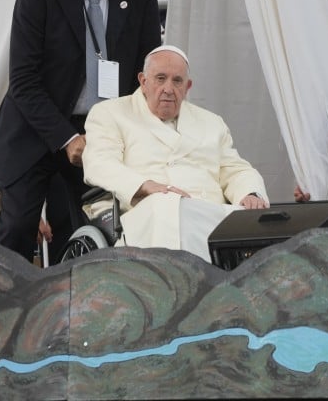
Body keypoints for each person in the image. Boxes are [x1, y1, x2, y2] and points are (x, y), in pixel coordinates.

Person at [0, 0, 162, 265]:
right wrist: (67, 138)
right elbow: (23, 78)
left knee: (87, 231)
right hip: (34, 130)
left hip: (101, 133)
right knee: (18, 229)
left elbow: (144, 74)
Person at [81, 44, 269, 262]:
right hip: (146, 211)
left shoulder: (211, 122)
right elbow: (100, 162)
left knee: (259, 222)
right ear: (143, 81)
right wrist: (145, 185)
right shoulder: (110, 113)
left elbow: (235, 169)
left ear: (187, 86)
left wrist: (250, 193)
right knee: (167, 208)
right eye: (160, 78)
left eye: (177, 81)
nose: (169, 88)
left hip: (210, 212)